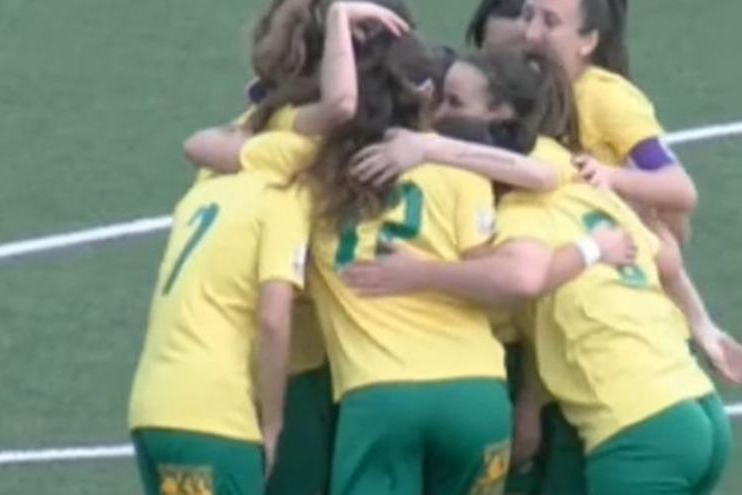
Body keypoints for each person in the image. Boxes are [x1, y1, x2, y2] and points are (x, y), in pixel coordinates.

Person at [340, 79, 732, 494]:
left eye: (452, 101)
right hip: (696, 405)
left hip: (639, 424)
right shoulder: (575, 177)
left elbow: (522, 280)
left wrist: (419, 272)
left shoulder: (520, 216)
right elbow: (664, 258)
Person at [177, 3, 411, 495]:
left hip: (231, 366)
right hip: (302, 369)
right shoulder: (315, 136)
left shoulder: (252, 128)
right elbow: (342, 104)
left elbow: (198, 144)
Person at [294, 28, 515, 495]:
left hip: (381, 397)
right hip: (474, 394)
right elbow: (499, 283)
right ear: (428, 99)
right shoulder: (462, 173)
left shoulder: (314, 181)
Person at [517, 0, 742, 386]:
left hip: (617, 290)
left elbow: (678, 188)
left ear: (588, 40)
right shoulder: (527, 91)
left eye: (550, 22)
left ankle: (702, 329)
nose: (529, 33)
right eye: (526, 16)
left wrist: (612, 177)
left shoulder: (608, 98)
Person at [127, 130, 315, 495]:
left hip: (152, 407)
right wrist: (274, 424)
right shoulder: (281, 200)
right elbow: (273, 320)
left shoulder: (201, 195)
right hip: (213, 420)